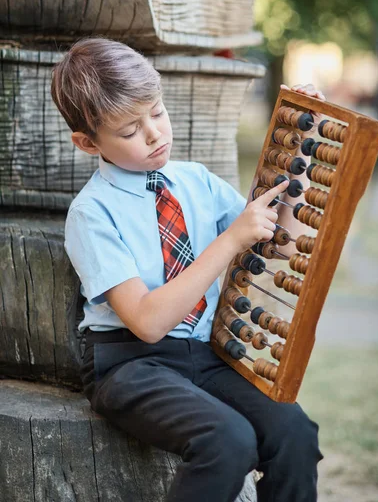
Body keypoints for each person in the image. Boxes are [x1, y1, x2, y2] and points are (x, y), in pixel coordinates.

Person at [51, 37, 324, 502]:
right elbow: (148, 322)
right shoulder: (91, 213)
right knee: (228, 441)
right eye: (130, 130)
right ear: (87, 143)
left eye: (156, 112)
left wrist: (302, 145)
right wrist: (229, 239)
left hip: (205, 354)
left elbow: (278, 242)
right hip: (130, 364)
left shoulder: (194, 181)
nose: (155, 134)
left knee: (294, 432)